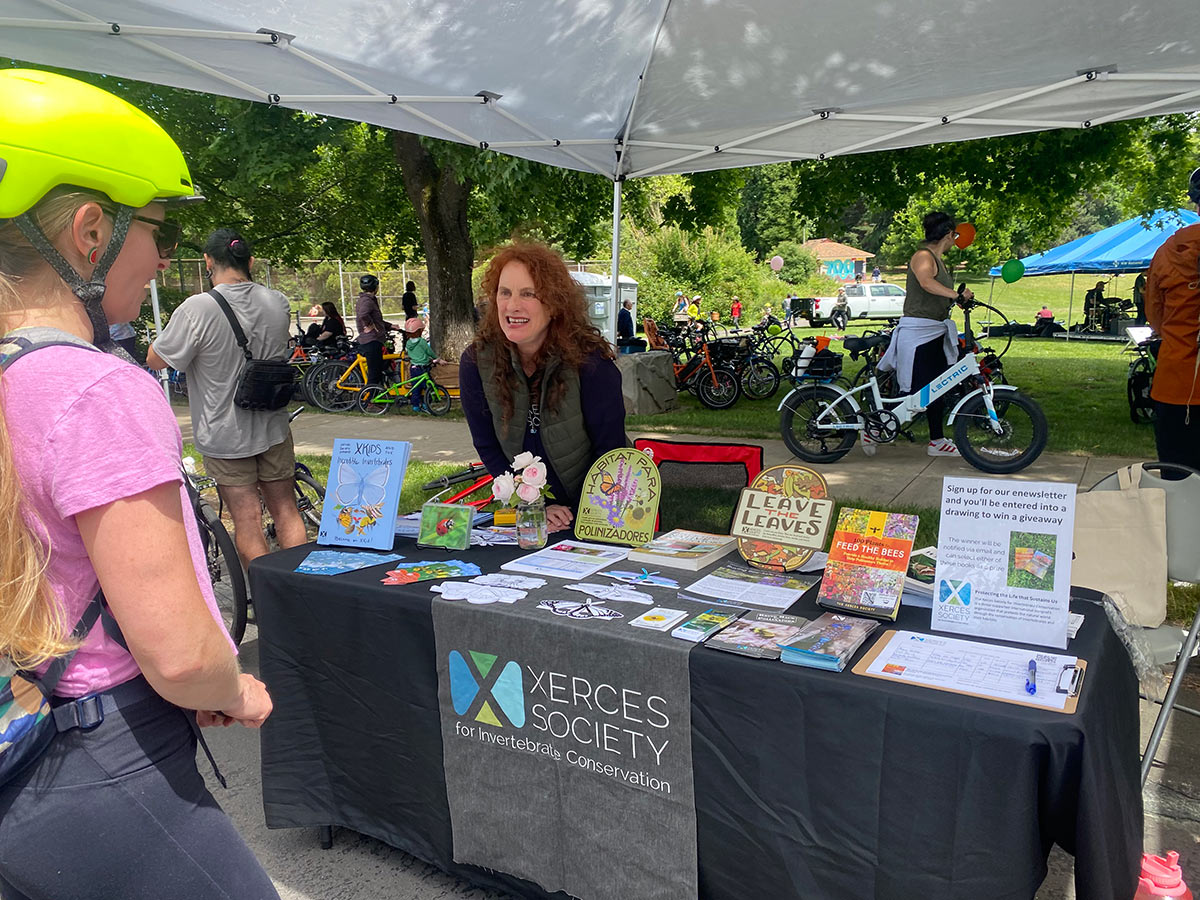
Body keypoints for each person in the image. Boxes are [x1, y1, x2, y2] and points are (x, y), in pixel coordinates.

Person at [0, 67, 278, 899]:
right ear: (90, 230)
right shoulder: (94, 386)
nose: (161, 254)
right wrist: (231, 686)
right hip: (96, 762)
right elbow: (181, 651)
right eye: (152, 226)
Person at [148, 228, 305, 567]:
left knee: (247, 521)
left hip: (224, 433)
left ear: (208, 261)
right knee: (287, 512)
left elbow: (157, 359)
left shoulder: (197, 309)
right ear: (249, 261)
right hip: (274, 425)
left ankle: (267, 608)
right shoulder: (276, 301)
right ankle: (298, 597)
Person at [459, 241, 628, 533]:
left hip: (598, 513)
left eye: (529, 294)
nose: (513, 306)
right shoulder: (476, 362)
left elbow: (610, 453)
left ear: (554, 304)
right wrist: (532, 506)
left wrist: (575, 513)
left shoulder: (591, 365)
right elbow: (487, 445)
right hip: (530, 517)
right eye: (505, 292)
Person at [879, 211, 973, 458]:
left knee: (936, 388)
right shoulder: (924, 256)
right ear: (948, 234)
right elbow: (926, 282)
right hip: (918, 332)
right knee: (916, 390)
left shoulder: (940, 260)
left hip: (933, 330)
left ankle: (936, 440)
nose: (956, 240)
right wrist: (955, 295)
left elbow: (936, 292)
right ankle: (879, 425)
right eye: (955, 235)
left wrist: (959, 300)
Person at [1144, 166, 1200, 472]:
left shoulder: (1167, 253)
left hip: (1176, 381)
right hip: (1178, 383)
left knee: (1176, 481)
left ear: (1195, 203)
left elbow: (1156, 318)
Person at [354, 273, 396, 388]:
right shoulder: (367, 301)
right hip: (371, 340)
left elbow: (376, 320)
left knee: (377, 369)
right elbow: (364, 314)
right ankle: (370, 401)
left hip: (373, 339)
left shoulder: (367, 299)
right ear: (376, 287)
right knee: (374, 373)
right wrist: (369, 325)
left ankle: (377, 394)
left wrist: (390, 326)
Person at [403, 316, 441, 410]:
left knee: (415, 387)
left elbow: (408, 351)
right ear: (420, 331)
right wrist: (436, 358)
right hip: (423, 367)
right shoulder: (422, 342)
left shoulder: (408, 343)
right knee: (428, 385)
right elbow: (429, 352)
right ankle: (426, 403)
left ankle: (415, 405)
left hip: (413, 367)